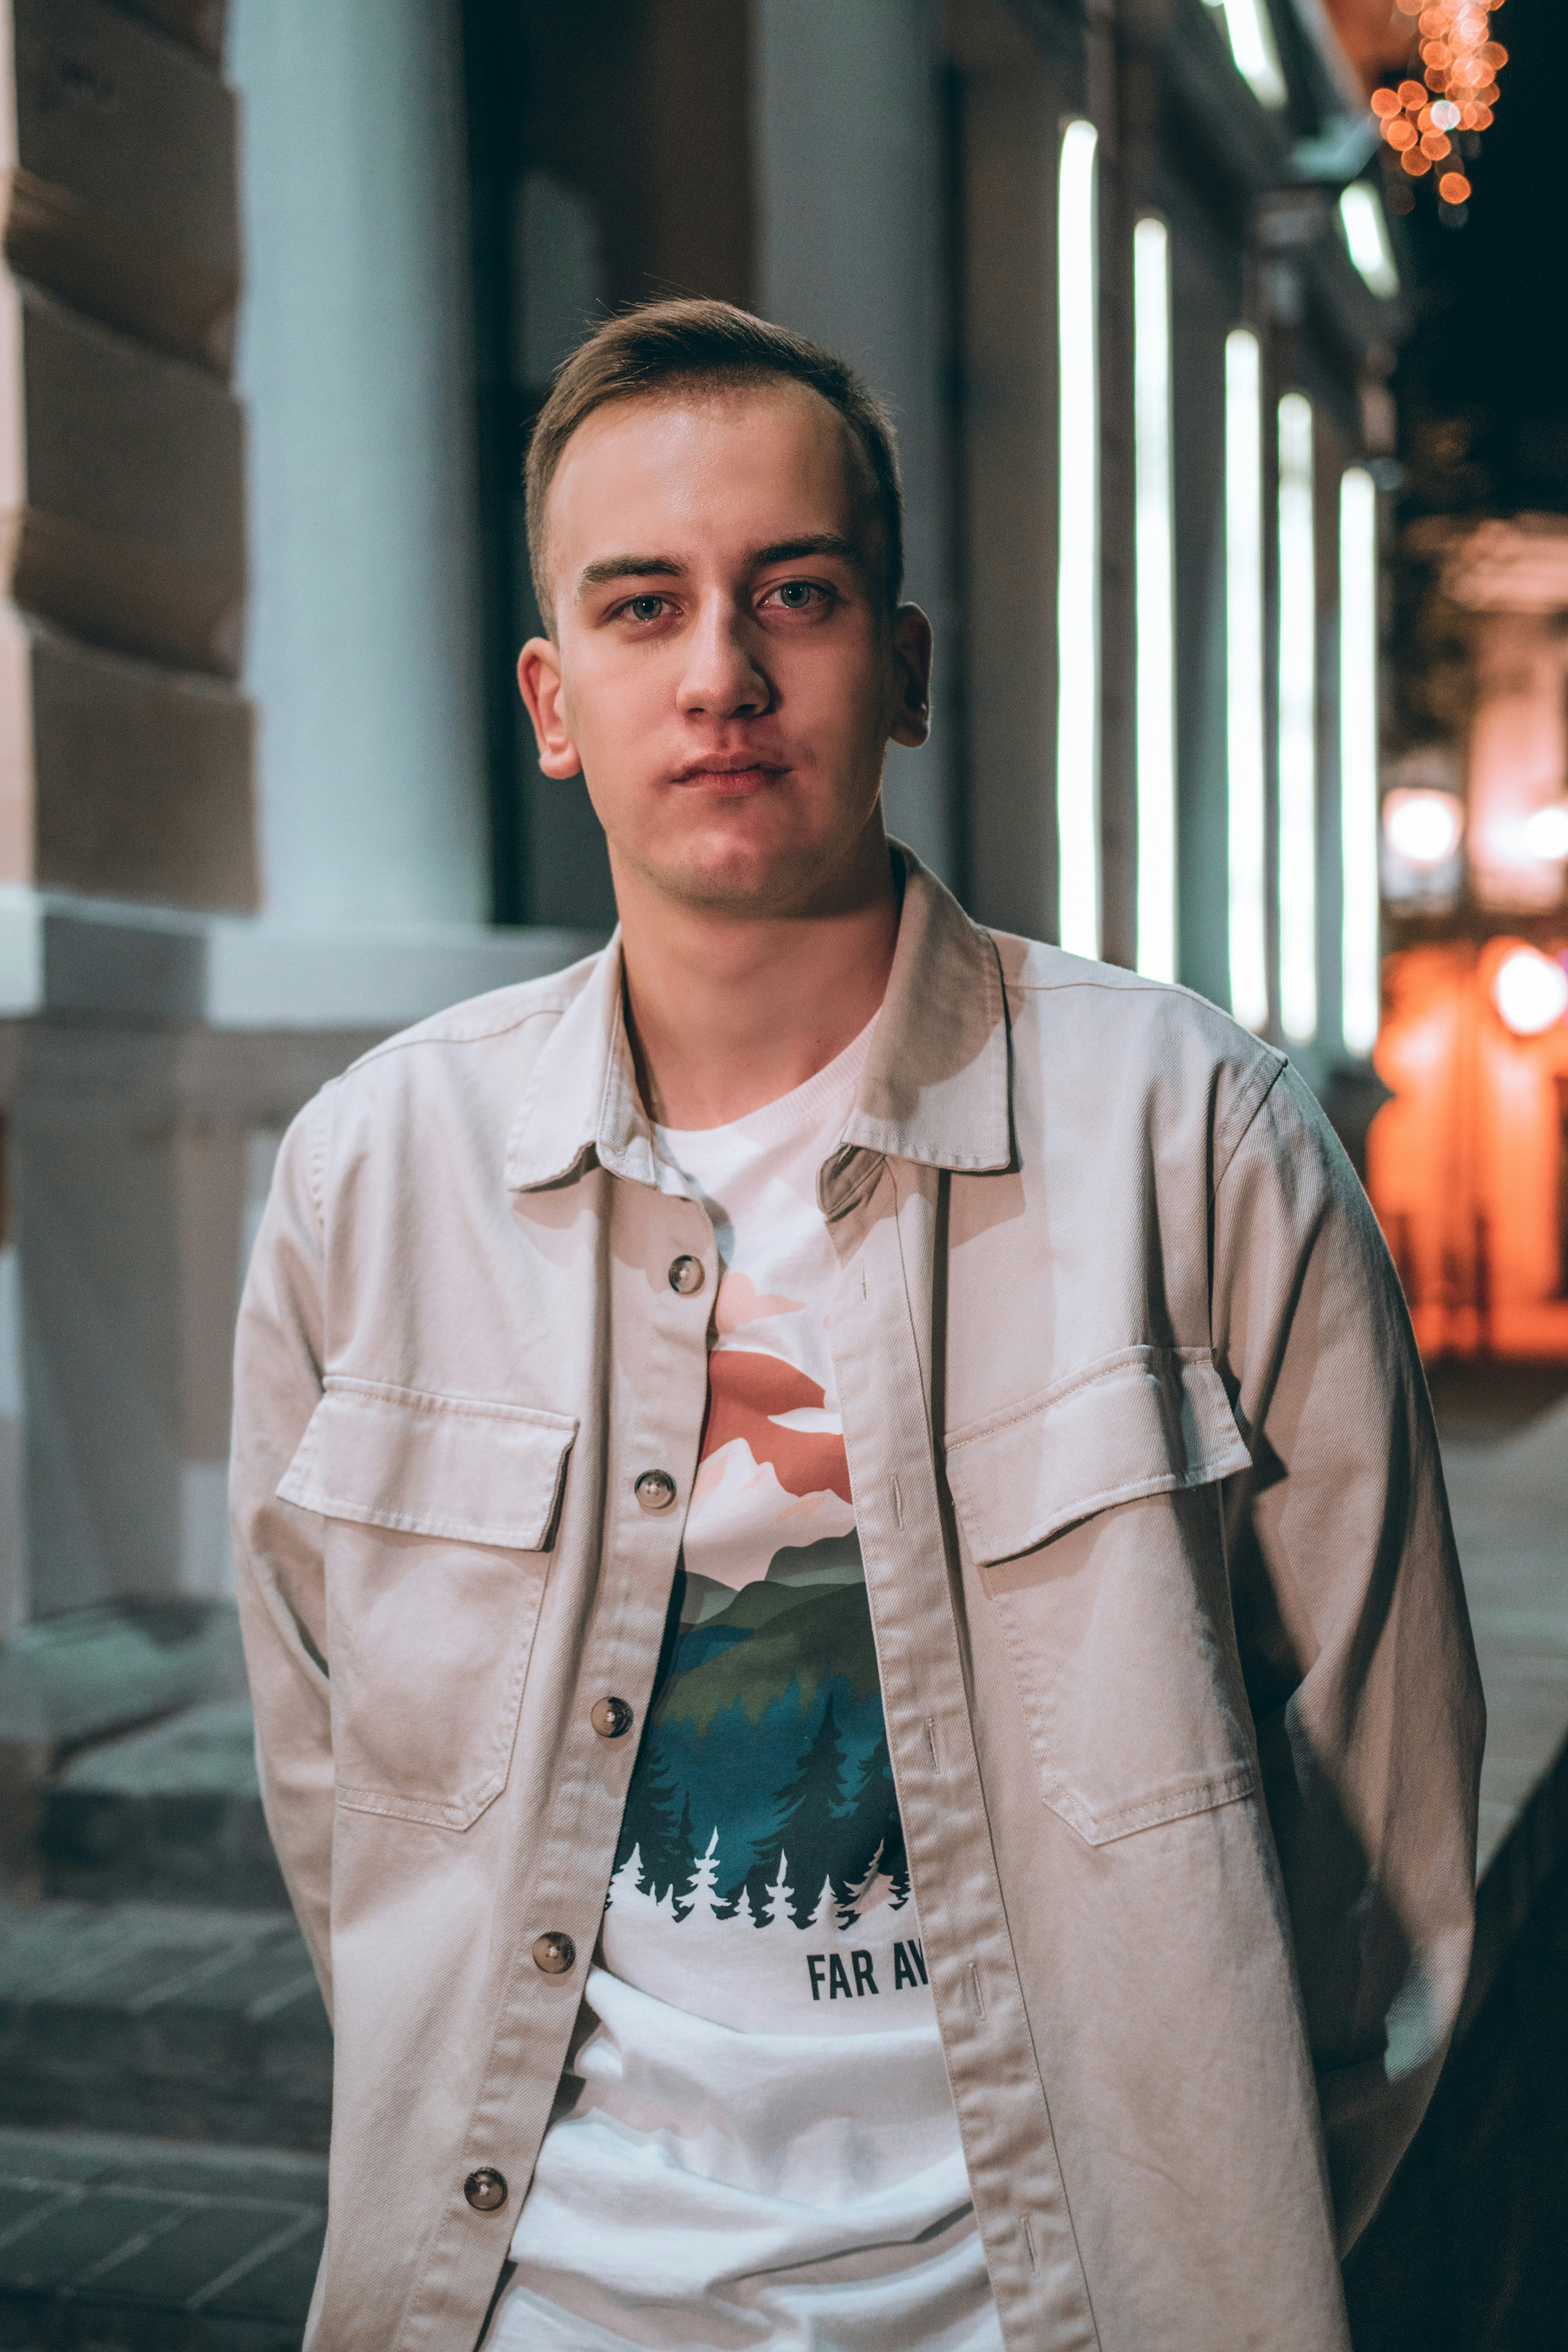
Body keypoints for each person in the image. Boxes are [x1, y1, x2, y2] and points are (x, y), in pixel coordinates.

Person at [231, 298, 1483, 2352]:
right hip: (538, 2308)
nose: (721, 673)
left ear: (901, 669)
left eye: (792, 595)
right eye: (643, 608)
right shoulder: (375, 1181)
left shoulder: (1192, 1134)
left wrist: (1215, 2229)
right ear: (554, 701)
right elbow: (344, 1804)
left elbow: (1393, 1821)